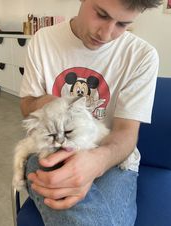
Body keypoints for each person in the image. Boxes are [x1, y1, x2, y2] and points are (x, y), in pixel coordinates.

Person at [19, 0, 162, 225]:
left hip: (111, 157)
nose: (106, 34)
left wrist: (94, 163)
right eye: (101, 14)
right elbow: (26, 106)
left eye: (122, 24)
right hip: (49, 149)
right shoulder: (43, 40)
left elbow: (126, 134)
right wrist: (52, 103)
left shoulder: (142, 56)